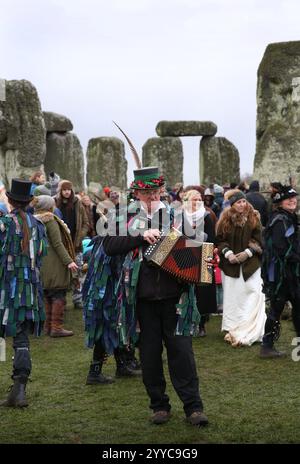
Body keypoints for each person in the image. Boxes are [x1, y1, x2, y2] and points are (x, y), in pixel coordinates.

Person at [103, 167, 208, 427]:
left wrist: (178, 243)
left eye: (154, 191)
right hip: (141, 299)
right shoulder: (122, 216)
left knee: (182, 353)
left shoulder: (176, 214)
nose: (150, 196)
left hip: (175, 298)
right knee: (149, 356)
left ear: (161, 189)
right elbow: (108, 246)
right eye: (145, 191)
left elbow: (196, 249)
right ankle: (159, 406)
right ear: (136, 192)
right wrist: (140, 236)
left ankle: (193, 407)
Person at [0, 179, 47, 408]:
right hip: (30, 289)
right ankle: (19, 389)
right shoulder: (38, 225)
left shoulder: (4, 223)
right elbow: (40, 256)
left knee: (15, 334)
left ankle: (18, 391)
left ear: (9, 200)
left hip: (7, 289)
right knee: (21, 338)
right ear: (28, 201)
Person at [215, 189, 266, 347]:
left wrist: (248, 252)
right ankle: (234, 327)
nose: (242, 204)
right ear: (232, 204)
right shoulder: (225, 219)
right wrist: (228, 253)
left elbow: (259, 239)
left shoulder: (254, 217)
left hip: (251, 264)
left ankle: (253, 329)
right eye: (238, 202)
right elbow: (220, 240)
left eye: (244, 201)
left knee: (254, 293)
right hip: (231, 266)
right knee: (234, 298)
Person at [260, 185, 300, 358]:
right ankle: (266, 346)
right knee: (276, 309)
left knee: (295, 308)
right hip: (281, 275)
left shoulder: (290, 218)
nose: (293, 201)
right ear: (280, 202)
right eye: (288, 199)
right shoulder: (279, 220)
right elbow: (280, 248)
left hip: (291, 273)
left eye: (294, 198)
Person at [33, 195, 78, 337]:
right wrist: (69, 261)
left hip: (41, 261)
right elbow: (58, 243)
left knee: (47, 294)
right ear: (49, 206)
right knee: (58, 293)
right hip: (54, 262)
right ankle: (56, 327)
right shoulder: (50, 220)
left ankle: (47, 326)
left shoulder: (34, 219)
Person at [179, 189, 217, 337]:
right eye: (194, 199)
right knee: (187, 289)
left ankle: (201, 325)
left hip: (203, 255)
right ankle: (187, 321)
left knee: (202, 292)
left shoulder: (206, 216)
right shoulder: (181, 216)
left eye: (199, 199)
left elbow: (212, 238)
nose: (197, 202)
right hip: (186, 254)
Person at [55, 180, 89, 308]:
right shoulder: (55, 203)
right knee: (62, 272)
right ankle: (61, 300)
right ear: (61, 191)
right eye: (64, 190)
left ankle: (77, 299)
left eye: (68, 189)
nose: (67, 192)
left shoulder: (77, 203)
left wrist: (80, 236)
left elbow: (86, 223)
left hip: (76, 244)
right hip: (61, 243)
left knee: (78, 272)